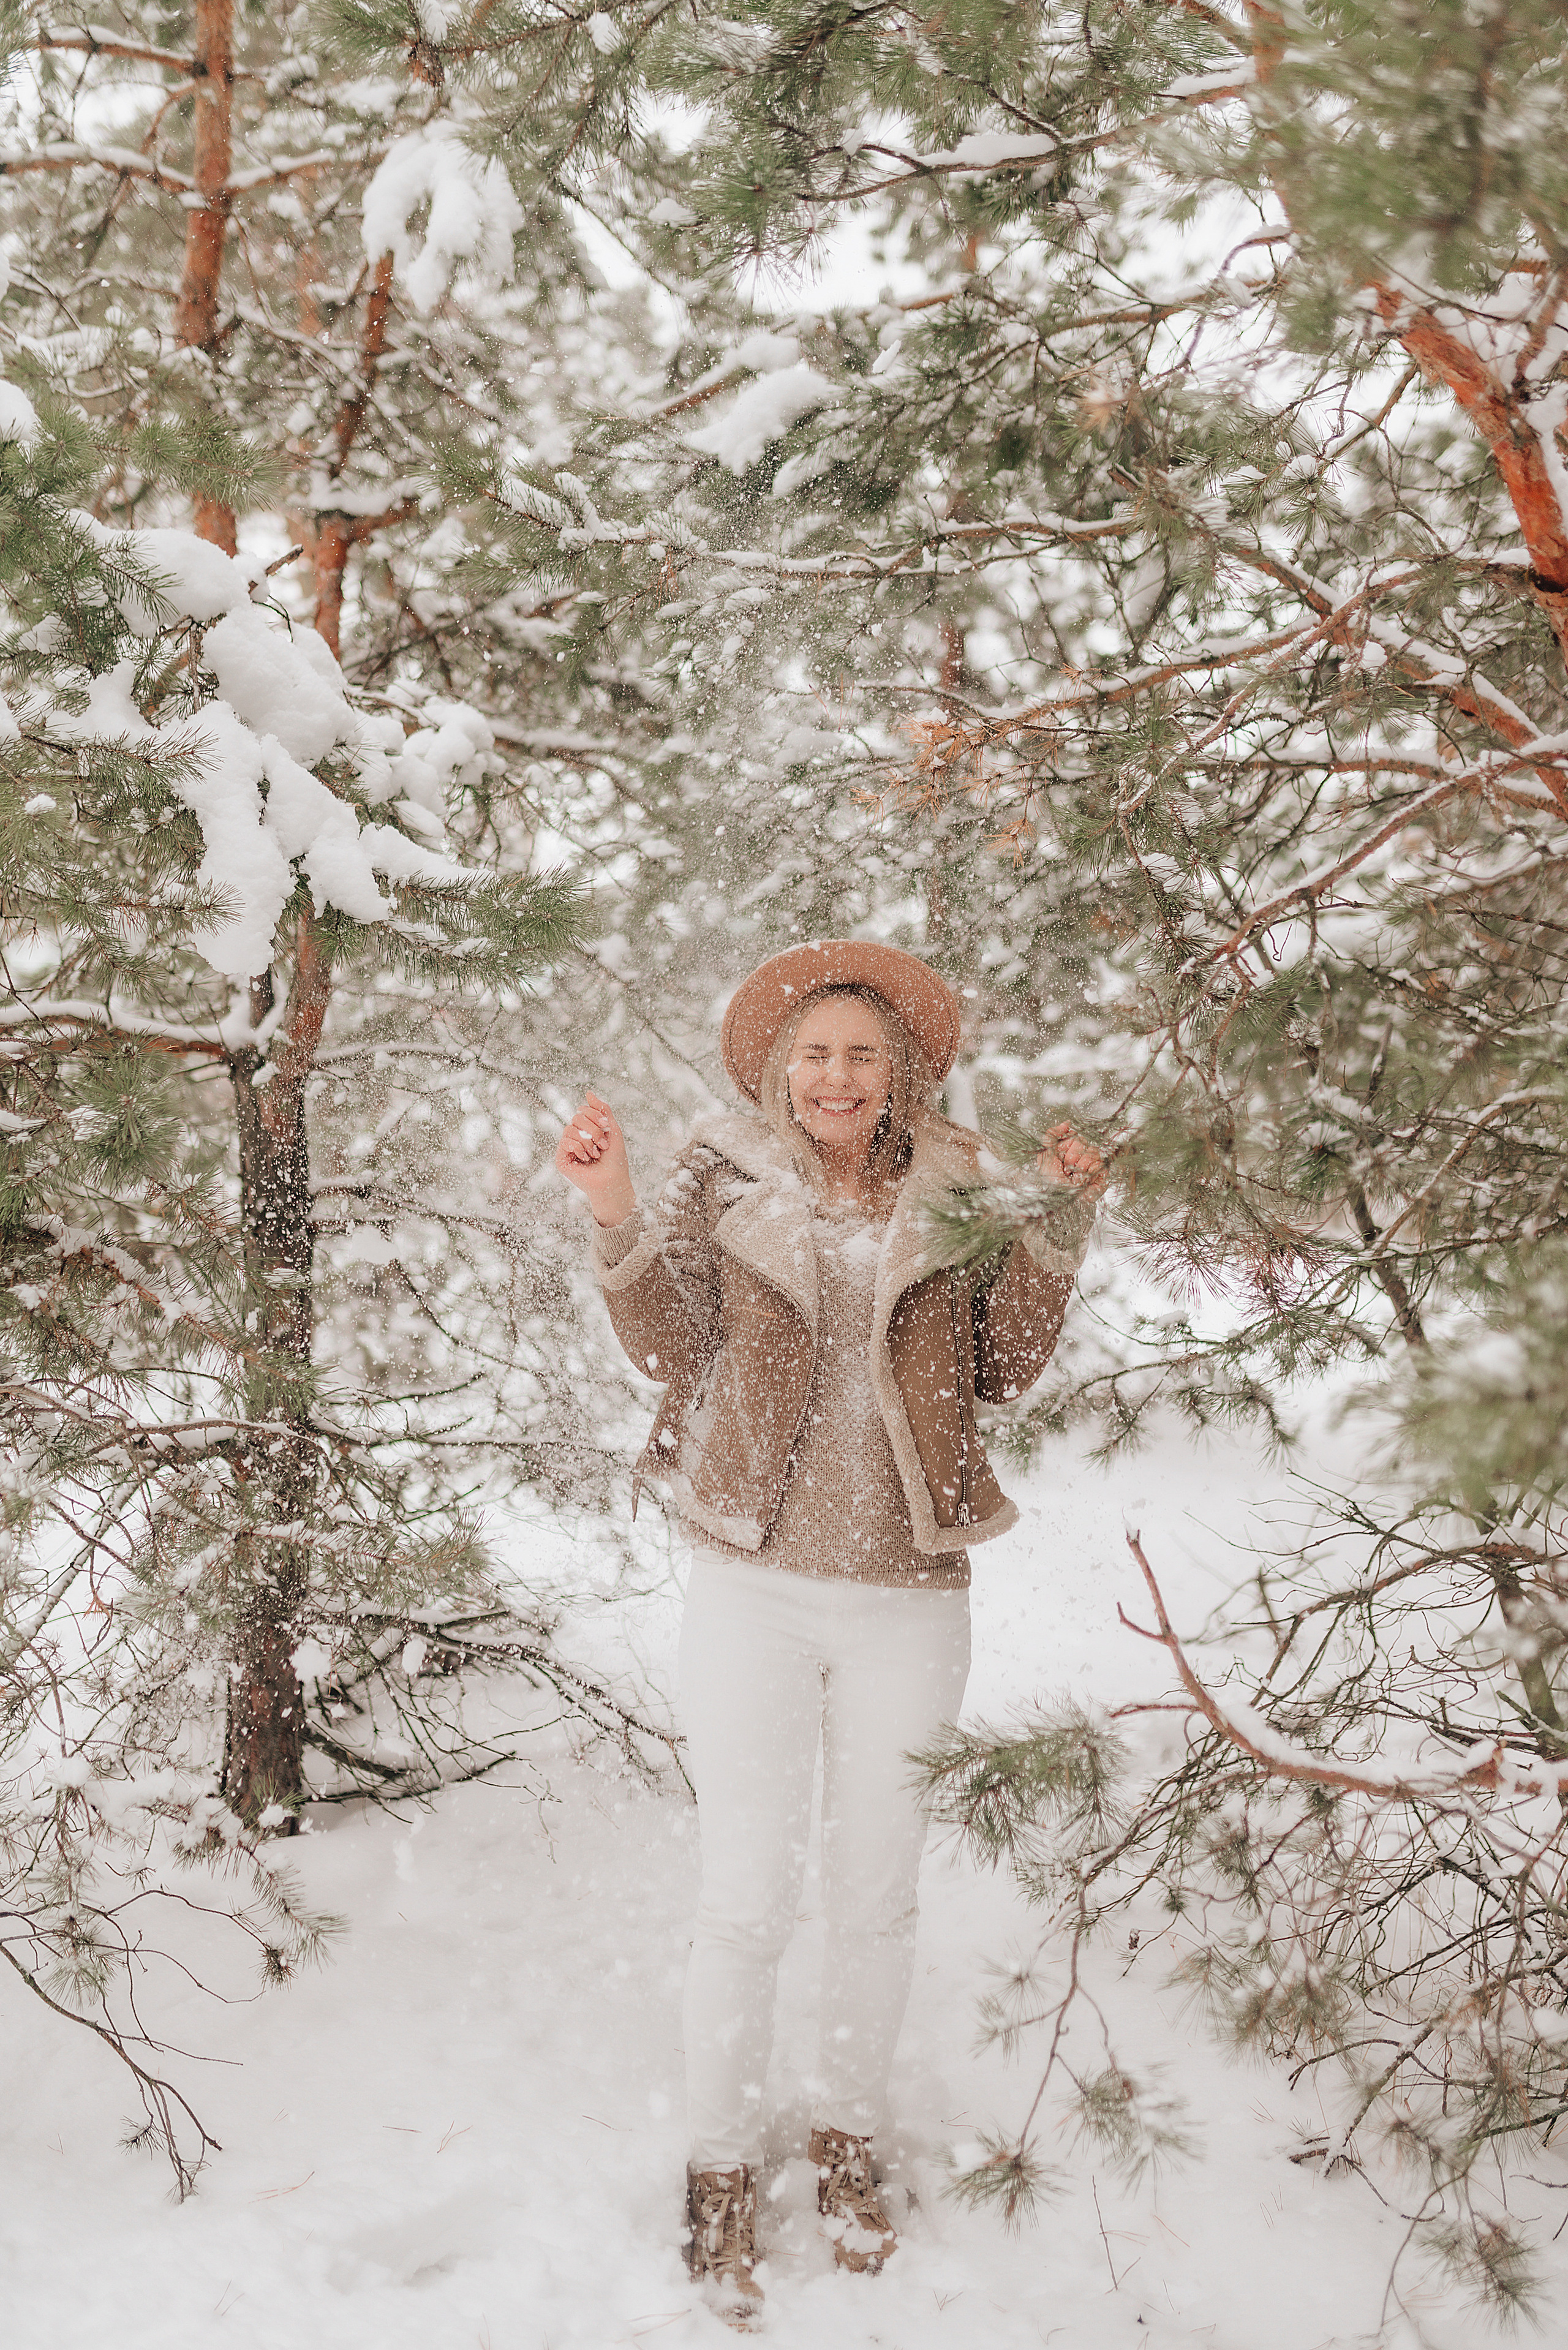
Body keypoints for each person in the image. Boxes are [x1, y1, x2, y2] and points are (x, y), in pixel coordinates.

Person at [555, 939, 1104, 2322]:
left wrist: (1057, 1226)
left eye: (862, 1053)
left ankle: (848, 2140)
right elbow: (672, 1345)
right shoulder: (721, 1177)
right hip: (751, 1587)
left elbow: (1001, 1365)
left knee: (874, 1894)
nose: (836, 1076)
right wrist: (613, 1204)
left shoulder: (958, 1189)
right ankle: (720, 2168)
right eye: (814, 1053)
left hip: (908, 1598)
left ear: (900, 1069)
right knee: (744, 1899)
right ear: (779, 1071)